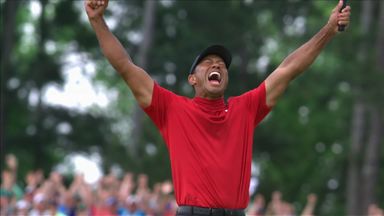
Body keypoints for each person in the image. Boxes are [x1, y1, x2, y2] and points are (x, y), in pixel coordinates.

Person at [84, 0, 351, 215]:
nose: (217, 65)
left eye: (221, 64)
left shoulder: (245, 108)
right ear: (192, 79)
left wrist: (328, 29)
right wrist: (97, 21)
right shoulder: (172, 109)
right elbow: (125, 66)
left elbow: (288, 69)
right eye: (208, 62)